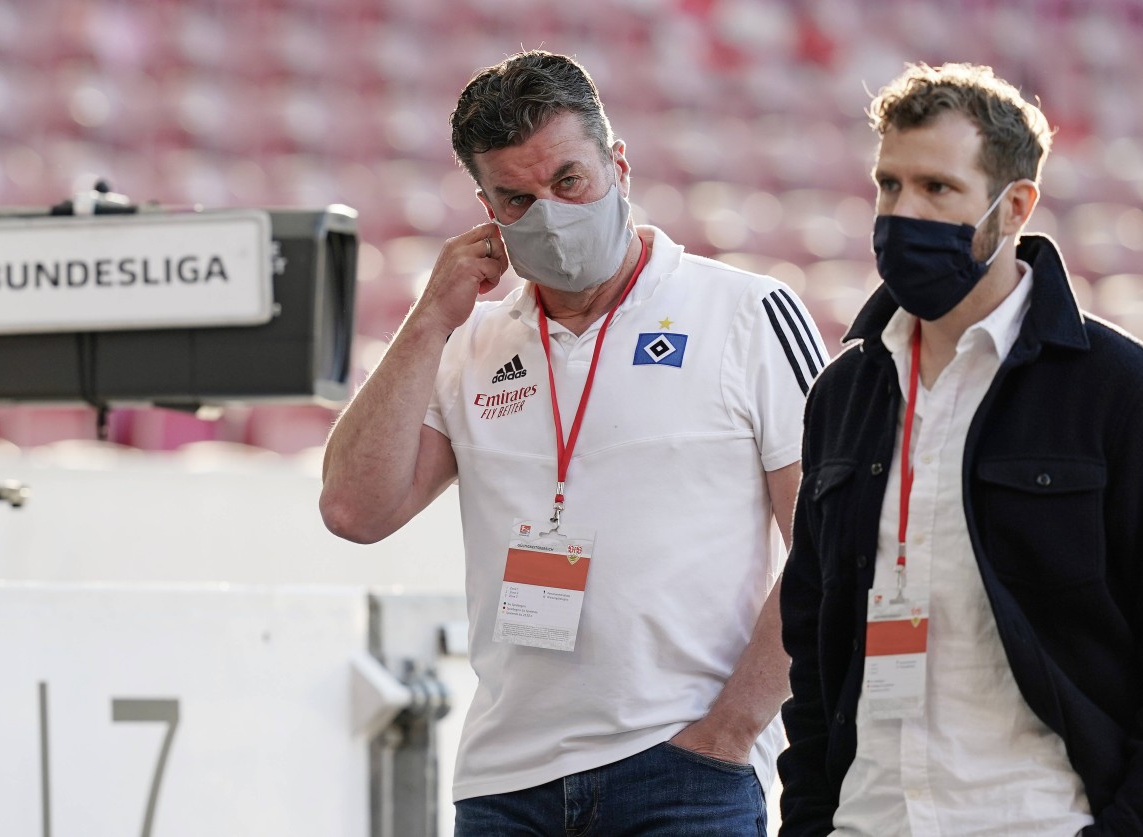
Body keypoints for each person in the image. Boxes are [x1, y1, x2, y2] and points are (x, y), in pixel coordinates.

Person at [321, 49, 827, 835]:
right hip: (504, 781)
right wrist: (428, 321)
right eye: (517, 199)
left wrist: (731, 731)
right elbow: (354, 507)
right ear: (484, 206)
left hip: (685, 769)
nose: (550, 213)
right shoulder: (470, 340)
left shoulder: (745, 312)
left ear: (617, 164)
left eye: (568, 181)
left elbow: (832, 541)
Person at [778, 61, 1143, 836]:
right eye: (888, 185)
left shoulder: (1116, 389)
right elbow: (813, 649)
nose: (901, 213)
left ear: (1014, 207)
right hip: (868, 818)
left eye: (937, 189)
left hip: (1036, 818)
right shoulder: (842, 395)